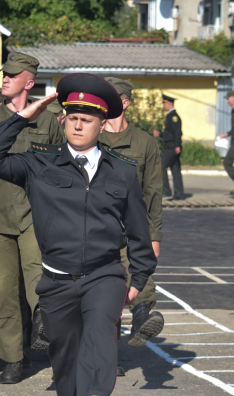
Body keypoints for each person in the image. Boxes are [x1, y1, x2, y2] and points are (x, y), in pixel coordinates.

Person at [0, 73, 156, 396]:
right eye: (72, 116)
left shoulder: (121, 171)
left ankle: (97, 395)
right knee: (64, 363)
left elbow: (140, 232)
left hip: (104, 274)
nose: (78, 123)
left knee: (98, 336)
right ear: (62, 120)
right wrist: (26, 113)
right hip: (56, 280)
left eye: (87, 118)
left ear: (101, 124)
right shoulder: (38, 162)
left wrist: (138, 280)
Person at [0, 52, 63, 384]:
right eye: (4, 74)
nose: (5, 78)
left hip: (35, 216)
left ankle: (51, 345)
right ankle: (13, 358)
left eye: (13, 75)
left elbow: (58, 170)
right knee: (2, 291)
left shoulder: (48, 121)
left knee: (40, 286)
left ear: (29, 82)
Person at [101, 77, 164, 354]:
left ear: (125, 102)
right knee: (104, 285)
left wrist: (155, 236)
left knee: (141, 269)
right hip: (98, 223)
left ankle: (142, 319)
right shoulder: (92, 135)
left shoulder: (144, 142)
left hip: (132, 224)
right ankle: (109, 352)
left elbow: (153, 193)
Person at [154, 94, 184, 200]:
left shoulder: (174, 117)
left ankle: (167, 192)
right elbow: (170, 133)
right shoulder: (170, 116)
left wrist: (177, 145)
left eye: (163, 104)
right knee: (175, 170)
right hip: (171, 145)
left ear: (168, 104)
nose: (163, 106)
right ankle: (179, 194)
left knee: (161, 167)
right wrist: (160, 134)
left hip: (172, 146)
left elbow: (177, 133)